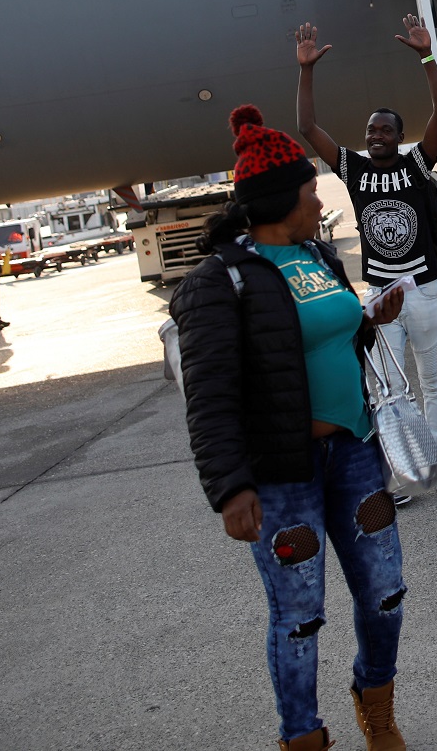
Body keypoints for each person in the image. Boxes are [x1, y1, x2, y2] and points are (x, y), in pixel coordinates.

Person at [171, 104, 411, 751]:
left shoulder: (317, 253)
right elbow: (211, 393)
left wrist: (371, 318)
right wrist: (229, 487)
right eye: (310, 191)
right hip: (281, 477)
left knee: (385, 592)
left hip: (354, 454)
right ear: (282, 201)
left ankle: (375, 701)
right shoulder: (219, 281)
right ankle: (303, 736)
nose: (318, 199)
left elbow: (324, 335)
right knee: (300, 616)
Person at [296, 14, 437, 497]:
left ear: (399, 134)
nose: (375, 136)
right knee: (388, 387)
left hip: (424, 288)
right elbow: (307, 125)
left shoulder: (415, 163)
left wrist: (427, 57)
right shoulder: (352, 167)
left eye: (385, 130)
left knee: (432, 380)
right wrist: (306, 70)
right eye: (371, 130)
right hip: (381, 291)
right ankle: (403, 471)